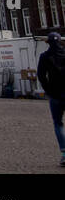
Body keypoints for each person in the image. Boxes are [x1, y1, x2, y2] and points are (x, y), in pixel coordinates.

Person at [37, 31, 65, 167]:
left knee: (58, 123)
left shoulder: (44, 56)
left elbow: (41, 76)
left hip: (55, 95)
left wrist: (49, 90)